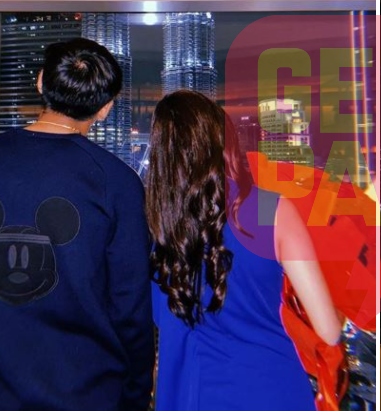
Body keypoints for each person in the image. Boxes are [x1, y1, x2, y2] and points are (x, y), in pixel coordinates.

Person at [0, 38, 155, 410]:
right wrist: (134, 395)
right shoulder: (117, 182)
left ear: (40, 81)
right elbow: (130, 306)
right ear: (106, 108)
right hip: (91, 394)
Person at [146, 90, 342, 410]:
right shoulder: (272, 210)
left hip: (187, 396)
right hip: (270, 391)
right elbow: (329, 331)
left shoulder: (158, 229)